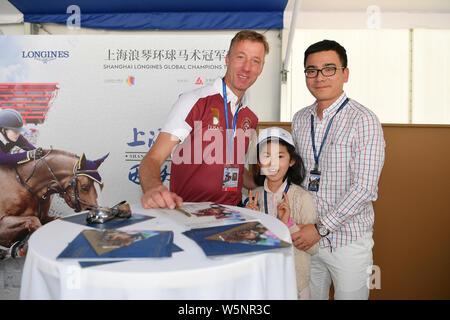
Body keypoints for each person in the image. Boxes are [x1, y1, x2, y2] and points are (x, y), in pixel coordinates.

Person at [290, 40, 385, 300]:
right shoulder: (300, 119)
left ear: (345, 73)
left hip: (348, 241)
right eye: (312, 70)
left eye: (329, 69)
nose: (319, 77)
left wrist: (320, 228)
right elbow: (296, 176)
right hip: (305, 238)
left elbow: (365, 188)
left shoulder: (363, 120)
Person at [139, 30, 269, 209]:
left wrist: (264, 188)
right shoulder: (193, 101)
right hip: (190, 212)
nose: (247, 67)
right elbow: (152, 159)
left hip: (233, 212)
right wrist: (153, 188)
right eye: (241, 57)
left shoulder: (250, 117)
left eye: (255, 61)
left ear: (261, 68)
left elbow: (234, 167)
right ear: (227, 59)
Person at [245, 127, 318, 300]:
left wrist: (289, 223)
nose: (273, 164)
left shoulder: (302, 198)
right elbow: (251, 245)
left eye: (280, 156)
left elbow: (313, 248)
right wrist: (250, 222)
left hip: (295, 286)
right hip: (263, 284)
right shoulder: (253, 197)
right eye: (266, 156)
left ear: (291, 161)